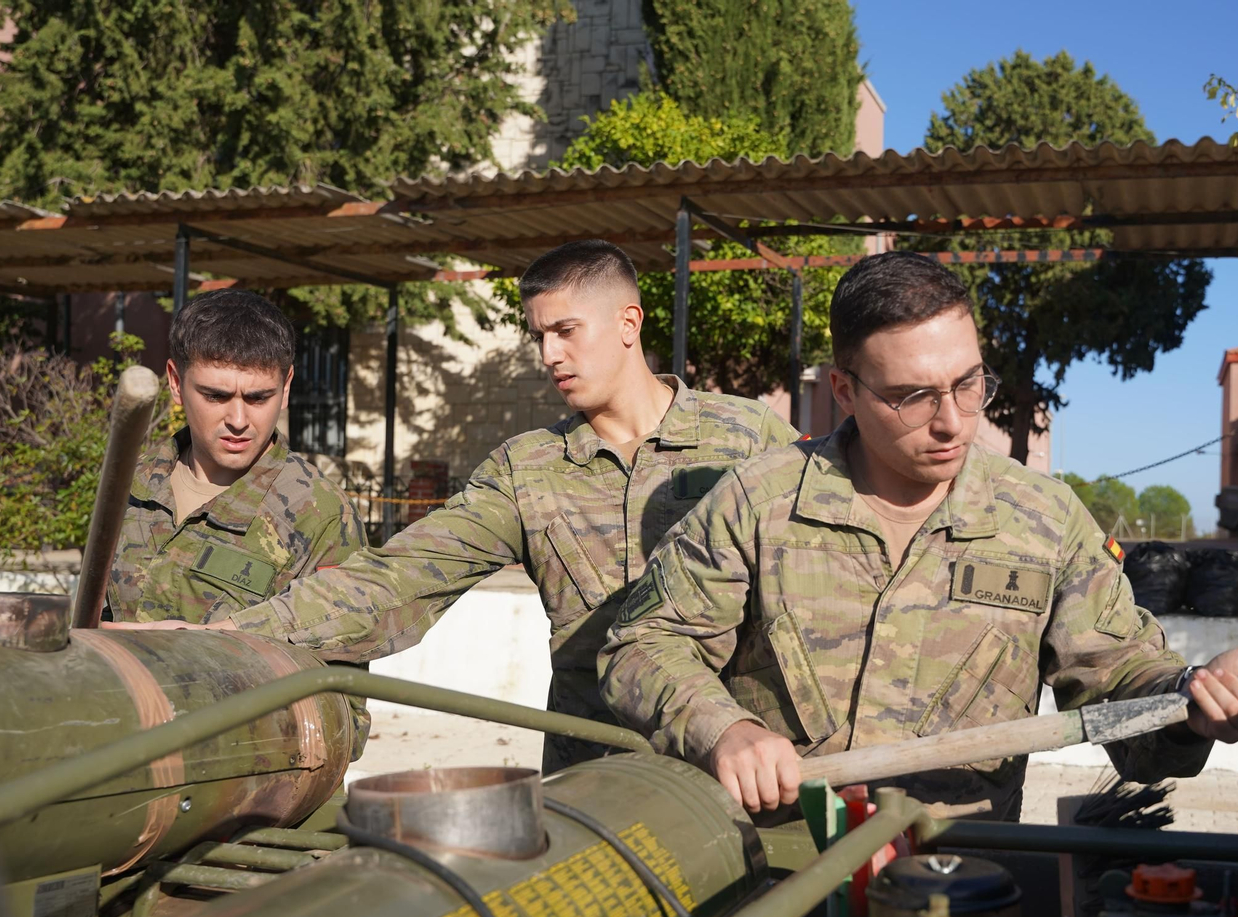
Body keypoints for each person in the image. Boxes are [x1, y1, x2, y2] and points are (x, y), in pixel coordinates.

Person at [598, 251, 1238, 818]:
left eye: (969, 384)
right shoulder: (760, 501)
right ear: (844, 391)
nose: (954, 420)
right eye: (912, 397)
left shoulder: (1043, 521)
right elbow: (644, 645)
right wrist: (725, 729)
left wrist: (1193, 701)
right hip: (776, 883)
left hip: (962, 891)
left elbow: (1119, 686)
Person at [109, 240, 800, 771]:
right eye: (538, 336)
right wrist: (236, 631)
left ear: (628, 322)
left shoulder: (750, 441)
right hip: (594, 773)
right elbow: (396, 581)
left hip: (739, 762)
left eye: (566, 331)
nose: (549, 355)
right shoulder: (525, 472)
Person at [105, 289, 370, 754]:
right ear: (175, 380)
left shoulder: (319, 514)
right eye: (215, 395)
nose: (238, 419)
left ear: (286, 387)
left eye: (259, 397)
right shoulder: (128, 487)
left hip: (243, 784)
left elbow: (343, 711)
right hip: (120, 767)